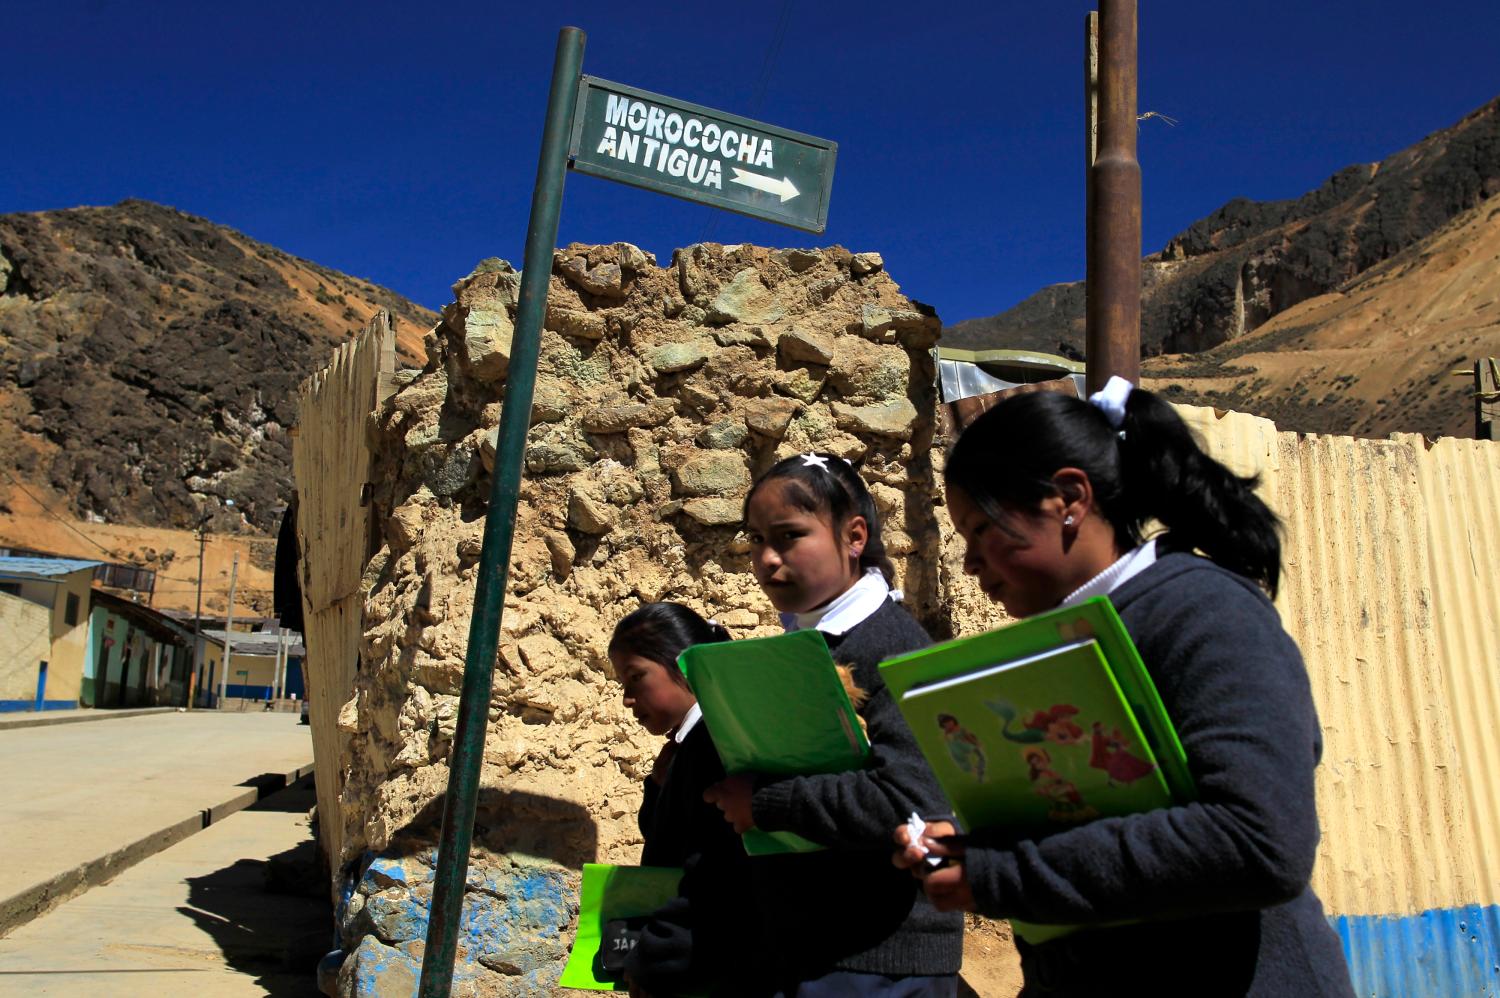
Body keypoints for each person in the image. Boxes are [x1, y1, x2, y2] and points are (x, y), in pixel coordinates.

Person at [892, 378, 1355, 996]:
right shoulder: (1065, 638)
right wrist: (969, 848)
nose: (971, 562)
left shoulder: (1203, 611)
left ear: (1068, 499)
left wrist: (1003, 872)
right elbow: (1095, 812)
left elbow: (1261, 840)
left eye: (982, 529)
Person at [684, 451, 965, 996]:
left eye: (788, 536)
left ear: (854, 536)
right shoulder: (811, 647)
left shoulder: (892, 648)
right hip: (811, 947)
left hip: (879, 961)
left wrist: (763, 803)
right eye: (756, 539)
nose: (766, 558)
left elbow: (912, 802)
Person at [609, 602, 737, 868]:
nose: (627, 699)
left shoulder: (715, 742)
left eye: (636, 677)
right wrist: (658, 785)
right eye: (624, 684)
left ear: (685, 666)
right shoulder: (685, 748)